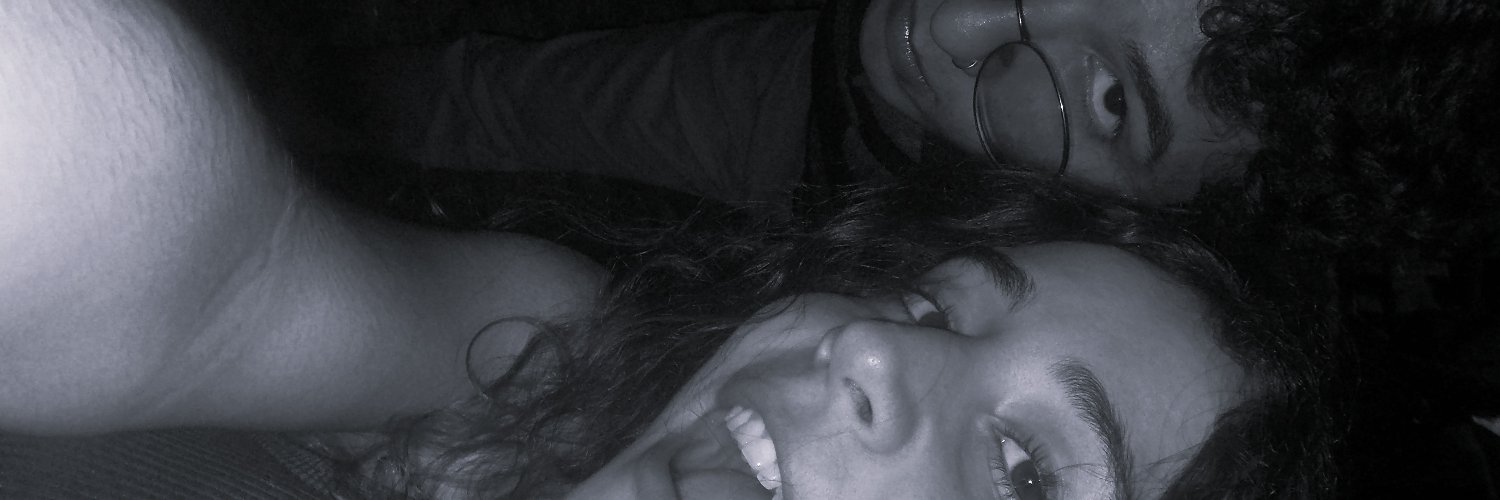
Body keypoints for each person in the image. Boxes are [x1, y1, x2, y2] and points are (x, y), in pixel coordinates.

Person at [0, 2, 1344, 499]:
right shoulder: (555, 365)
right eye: (928, 303)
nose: (868, 344)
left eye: (1030, 474)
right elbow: (219, 276)